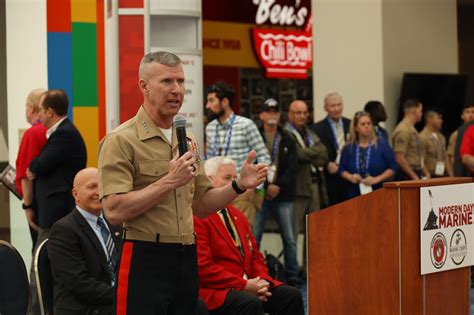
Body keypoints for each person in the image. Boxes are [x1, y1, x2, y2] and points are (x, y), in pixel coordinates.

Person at [97, 51, 268, 315]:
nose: (177, 90)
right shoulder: (121, 140)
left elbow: (201, 204)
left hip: (186, 255)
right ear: (144, 86)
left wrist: (238, 186)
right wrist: (169, 181)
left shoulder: (187, 139)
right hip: (145, 255)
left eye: (180, 82)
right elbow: (114, 211)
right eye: (166, 82)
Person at [195, 156, 304, 315]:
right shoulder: (198, 217)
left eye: (235, 178)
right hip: (219, 290)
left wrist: (262, 282)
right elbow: (204, 268)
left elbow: (255, 256)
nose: (233, 183)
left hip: (249, 283)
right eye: (227, 178)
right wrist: (244, 285)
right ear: (208, 180)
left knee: (291, 295)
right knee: (250, 303)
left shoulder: (237, 215)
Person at [27, 89, 87, 315]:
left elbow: (39, 164)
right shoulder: (60, 133)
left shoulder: (63, 134)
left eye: (41, 110)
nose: (39, 115)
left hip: (56, 213)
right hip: (55, 211)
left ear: (50, 111)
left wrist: (34, 166)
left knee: (40, 266)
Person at [48, 167, 120, 315]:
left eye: (102, 185)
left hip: (112, 303)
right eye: (92, 187)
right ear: (76, 194)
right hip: (85, 308)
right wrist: (123, 295)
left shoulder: (114, 223)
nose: (99, 192)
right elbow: (79, 284)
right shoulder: (63, 230)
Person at [205, 81, 271, 225]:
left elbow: (264, 158)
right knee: (222, 239)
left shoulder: (246, 125)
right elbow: (210, 159)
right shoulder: (210, 128)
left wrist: (254, 187)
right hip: (217, 192)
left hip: (242, 191)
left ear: (225, 102)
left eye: (211, 100)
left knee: (242, 238)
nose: (207, 106)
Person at [252, 98, 300, 285]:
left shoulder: (287, 137)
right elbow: (252, 164)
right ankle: (255, 273)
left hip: (283, 194)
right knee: (254, 237)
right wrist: (265, 186)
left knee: (290, 238)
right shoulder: (255, 135)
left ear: (279, 115)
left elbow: (292, 168)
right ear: (262, 115)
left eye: (275, 111)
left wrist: (278, 186)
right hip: (261, 193)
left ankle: (293, 276)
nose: (272, 114)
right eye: (268, 111)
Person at [15, 88, 47, 250]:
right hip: (47, 201)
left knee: (38, 249)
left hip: (36, 203)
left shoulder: (33, 133)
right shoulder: (50, 131)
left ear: (32, 108)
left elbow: (26, 174)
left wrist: (27, 206)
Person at [339, 111, 396, 199]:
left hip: (378, 192)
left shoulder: (382, 144)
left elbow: (393, 167)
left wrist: (377, 179)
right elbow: (341, 169)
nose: (367, 126)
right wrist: (350, 177)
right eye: (363, 124)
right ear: (356, 128)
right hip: (354, 194)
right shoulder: (349, 147)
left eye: (369, 123)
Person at [310, 92, 351, 206]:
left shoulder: (351, 124)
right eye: (332, 106)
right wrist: (326, 163)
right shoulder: (316, 128)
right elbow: (315, 153)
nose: (336, 109)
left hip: (349, 175)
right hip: (329, 177)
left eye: (339, 105)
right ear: (325, 108)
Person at [391, 99, 429, 180]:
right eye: (420, 111)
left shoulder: (412, 129)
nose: (421, 114)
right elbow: (399, 157)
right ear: (414, 111)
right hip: (406, 174)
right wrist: (414, 176)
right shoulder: (403, 130)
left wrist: (424, 172)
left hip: (415, 171)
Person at [419, 109, 448, 177]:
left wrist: (451, 175)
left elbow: (445, 157)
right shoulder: (422, 137)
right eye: (438, 118)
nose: (441, 121)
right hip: (430, 173)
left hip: (442, 173)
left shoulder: (441, 137)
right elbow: (421, 159)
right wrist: (427, 174)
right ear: (430, 119)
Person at [446, 104, 474, 176]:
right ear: (462, 116)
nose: (470, 115)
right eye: (467, 112)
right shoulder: (456, 134)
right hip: (460, 172)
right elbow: (451, 157)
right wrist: (453, 176)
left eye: (473, 112)